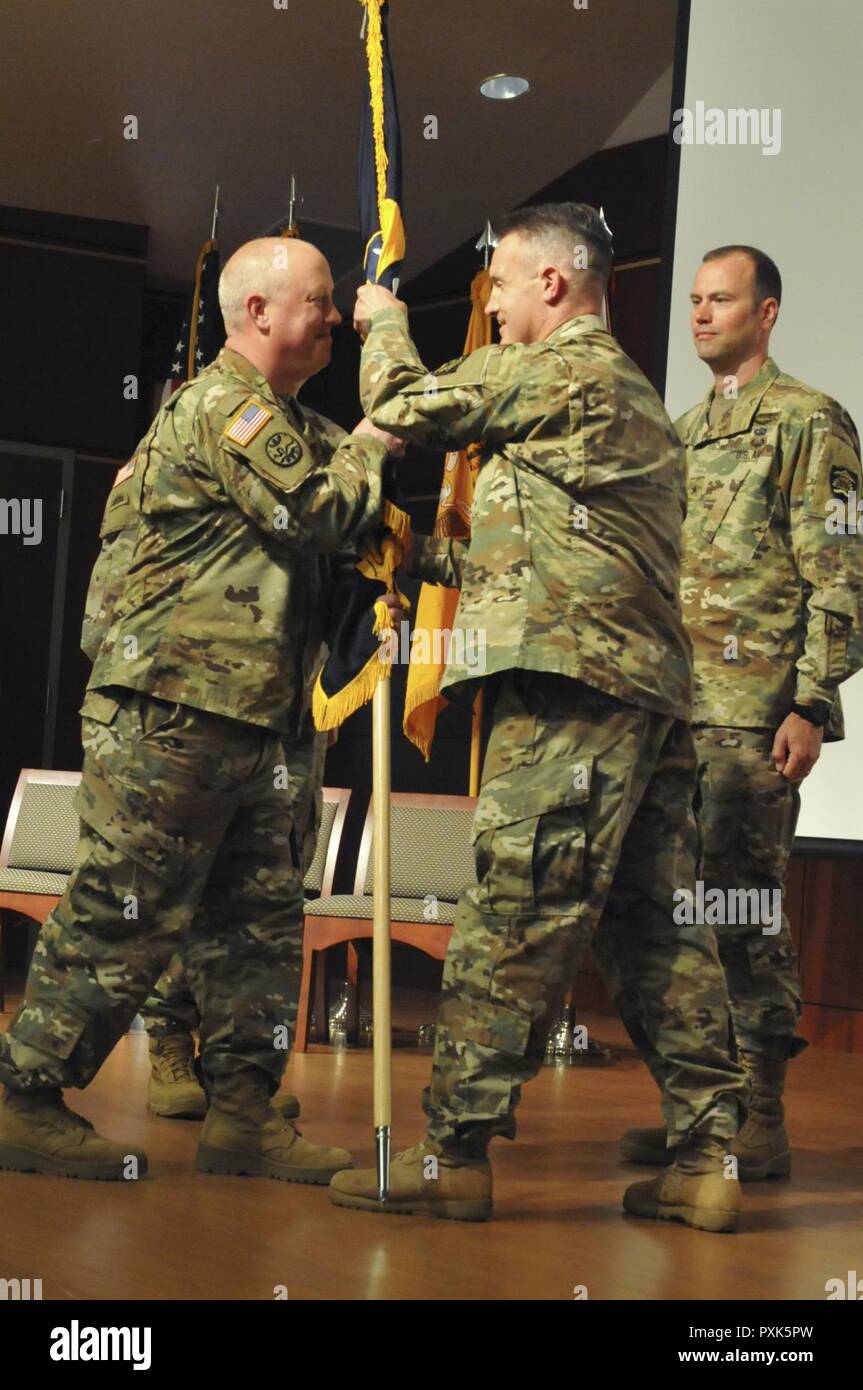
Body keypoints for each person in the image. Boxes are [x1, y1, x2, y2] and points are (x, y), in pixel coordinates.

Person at [329, 202, 750, 1231]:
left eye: (501, 289)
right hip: (638, 692)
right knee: (655, 932)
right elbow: (529, 562)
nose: (497, 308)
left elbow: (403, 399)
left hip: (569, 689)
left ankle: (453, 1155)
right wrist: (417, 559)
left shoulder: (563, 368)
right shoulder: (627, 398)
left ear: (552, 286)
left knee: (513, 906)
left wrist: (382, 314)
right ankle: (707, 1160)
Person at [0, 237, 402, 1184]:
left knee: (256, 922)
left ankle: (246, 1113)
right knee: (125, 906)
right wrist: (378, 439)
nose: (335, 318)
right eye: (318, 302)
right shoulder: (226, 408)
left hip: (257, 713)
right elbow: (320, 512)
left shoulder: (281, 417)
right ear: (258, 312)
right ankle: (23, 1095)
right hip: (178, 709)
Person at [615, 245, 863, 1179]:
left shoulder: (808, 422)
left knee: (742, 907)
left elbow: (840, 572)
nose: (701, 315)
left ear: (766, 314)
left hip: (754, 717)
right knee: (674, 913)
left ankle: (759, 1115)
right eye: (693, 301)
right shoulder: (681, 432)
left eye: (721, 300)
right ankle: (703, 1113)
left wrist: (811, 700)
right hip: (673, 715)